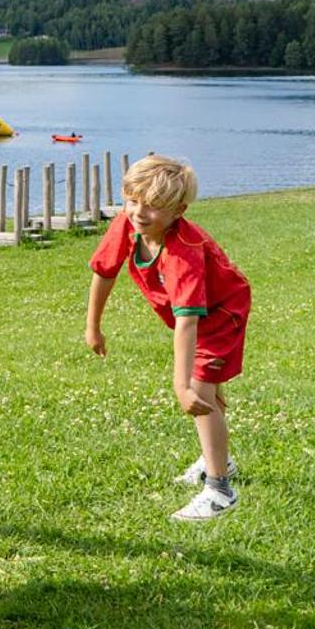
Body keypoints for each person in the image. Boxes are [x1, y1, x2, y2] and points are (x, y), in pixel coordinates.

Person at [84, 153, 250, 522]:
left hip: (222, 314)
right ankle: (216, 458)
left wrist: (181, 386)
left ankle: (220, 490)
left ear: (179, 210)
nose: (140, 212)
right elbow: (104, 271)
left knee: (200, 391)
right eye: (133, 200)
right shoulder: (128, 225)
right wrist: (92, 326)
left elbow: (188, 321)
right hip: (193, 316)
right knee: (205, 391)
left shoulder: (183, 251)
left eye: (154, 206)